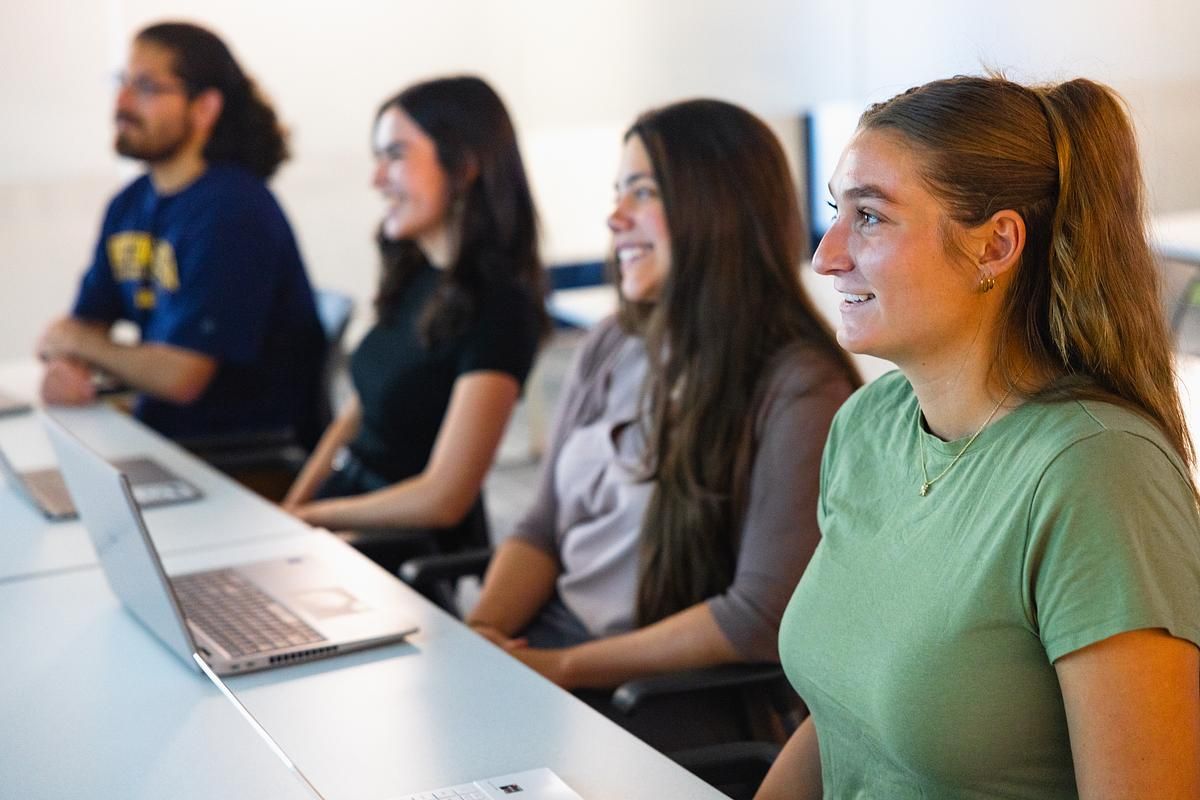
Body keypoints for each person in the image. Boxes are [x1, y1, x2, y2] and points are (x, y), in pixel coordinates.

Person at [758, 75, 1200, 799]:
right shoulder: (870, 424)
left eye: (870, 217)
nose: (827, 255)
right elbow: (844, 719)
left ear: (995, 245)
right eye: (839, 210)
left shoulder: (1096, 473)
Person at [465, 99, 859, 745]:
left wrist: (559, 667)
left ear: (716, 208)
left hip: (662, 693)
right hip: (556, 648)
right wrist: (479, 637)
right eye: (618, 193)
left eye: (642, 193)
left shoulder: (800, 386)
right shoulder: (610, 345)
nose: (614, 218)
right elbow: (540, 529)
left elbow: (755, 617)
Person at [282, 77, 547, 558]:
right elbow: (356, 413)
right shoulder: (418, 274)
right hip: (343, 521)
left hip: (394, 545)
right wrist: (292, 509)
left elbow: (444, 499)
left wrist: (311, 520)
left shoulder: (502, 309)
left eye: (395, 155)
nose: (377, 179)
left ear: (463, 166)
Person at [37, 22, 324, 445]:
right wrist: (65, 364)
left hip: (240, 458)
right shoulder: (129, 204)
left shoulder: (234, 211)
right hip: (160, 435)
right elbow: (83, 324)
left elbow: (181, 378)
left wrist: (77, 344)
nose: (122, 102)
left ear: (204, 108)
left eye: (147, 87)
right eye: (122, 82)